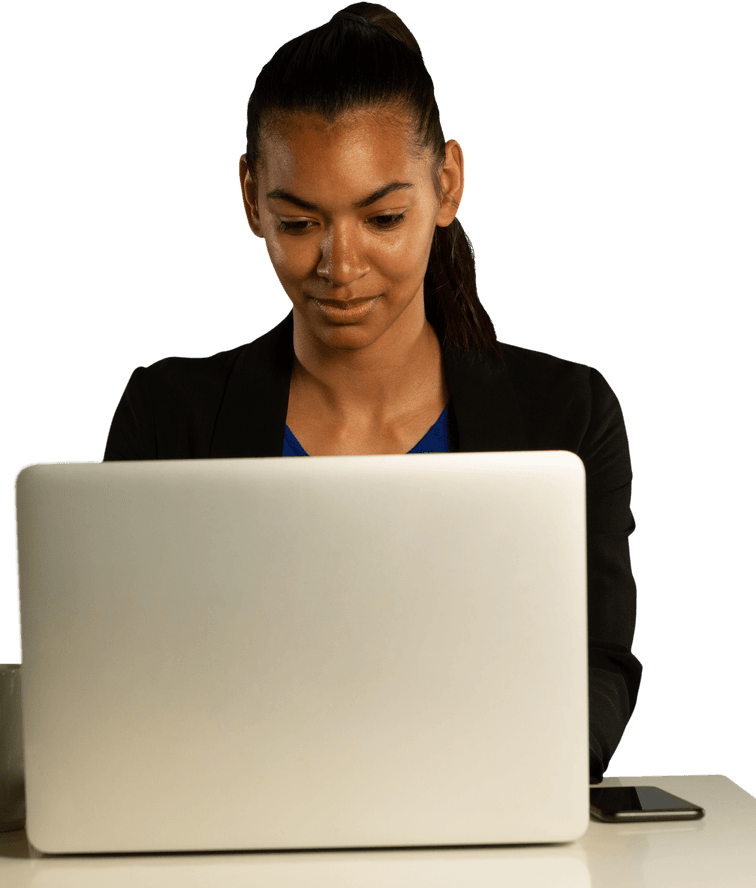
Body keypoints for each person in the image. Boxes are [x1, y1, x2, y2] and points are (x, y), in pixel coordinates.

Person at [104, 1, 642, 783]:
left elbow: (599, 667)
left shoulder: (568, 414)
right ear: (251, 197)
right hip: (232, 820)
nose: (342, 265)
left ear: (447, 185)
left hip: (485, 816)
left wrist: (510, 791)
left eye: (384, 218)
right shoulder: (166, 417)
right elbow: (116, 676)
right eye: (299, 224)